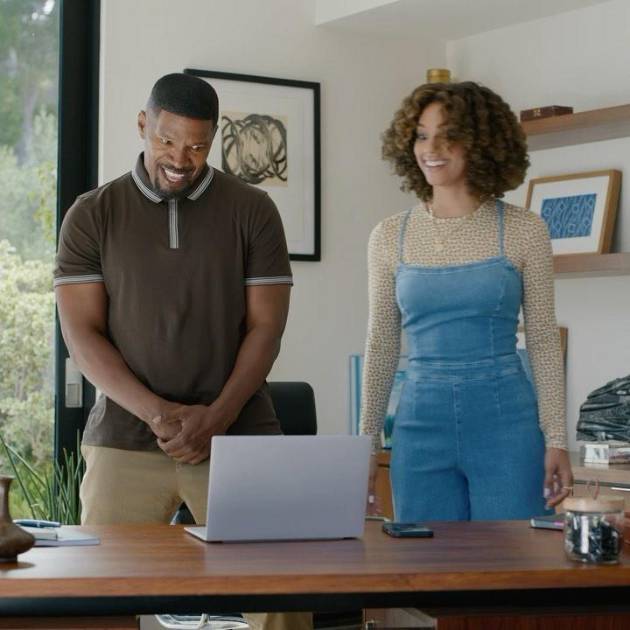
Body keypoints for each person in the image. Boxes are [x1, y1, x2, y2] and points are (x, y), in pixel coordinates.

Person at [55, 72, 312, 630]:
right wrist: (158, 414)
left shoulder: (254, 210)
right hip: (125, 436)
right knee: (95, 603)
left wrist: (216, 417)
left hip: (239, 434)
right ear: (143, 125)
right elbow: (82, 335)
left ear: (214, 139)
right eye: (167, 140)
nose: (180, 158)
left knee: (285, 596)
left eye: (196, 146)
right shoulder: (92, 213)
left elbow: (266, 329)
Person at [360, 81, 573, 523]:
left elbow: (542, 340)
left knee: (514, 561)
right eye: (421, 135)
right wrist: (365, 444)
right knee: (425, 560)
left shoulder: (525, 230)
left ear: (481, 142)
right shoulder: (389, 235)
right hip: (419, 426)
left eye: (448, 135)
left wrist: (557, 438)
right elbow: (381, 344)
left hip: (507, 424)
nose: (431, 149)